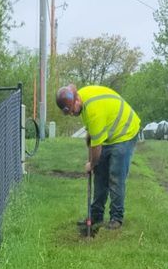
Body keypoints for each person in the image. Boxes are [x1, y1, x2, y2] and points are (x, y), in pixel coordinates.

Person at [55, 83, 141, 229]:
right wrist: (90, 138)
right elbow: (93, 136)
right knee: (100, 175)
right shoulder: (83, 103)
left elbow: (97, 149)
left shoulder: (93, 110)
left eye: (71, 111)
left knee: (115, 176)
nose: (71, 114)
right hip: (109, 131)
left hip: (125, 132)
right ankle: (96, 215)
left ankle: (116, 218)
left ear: (76, 100)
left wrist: (92, 164)